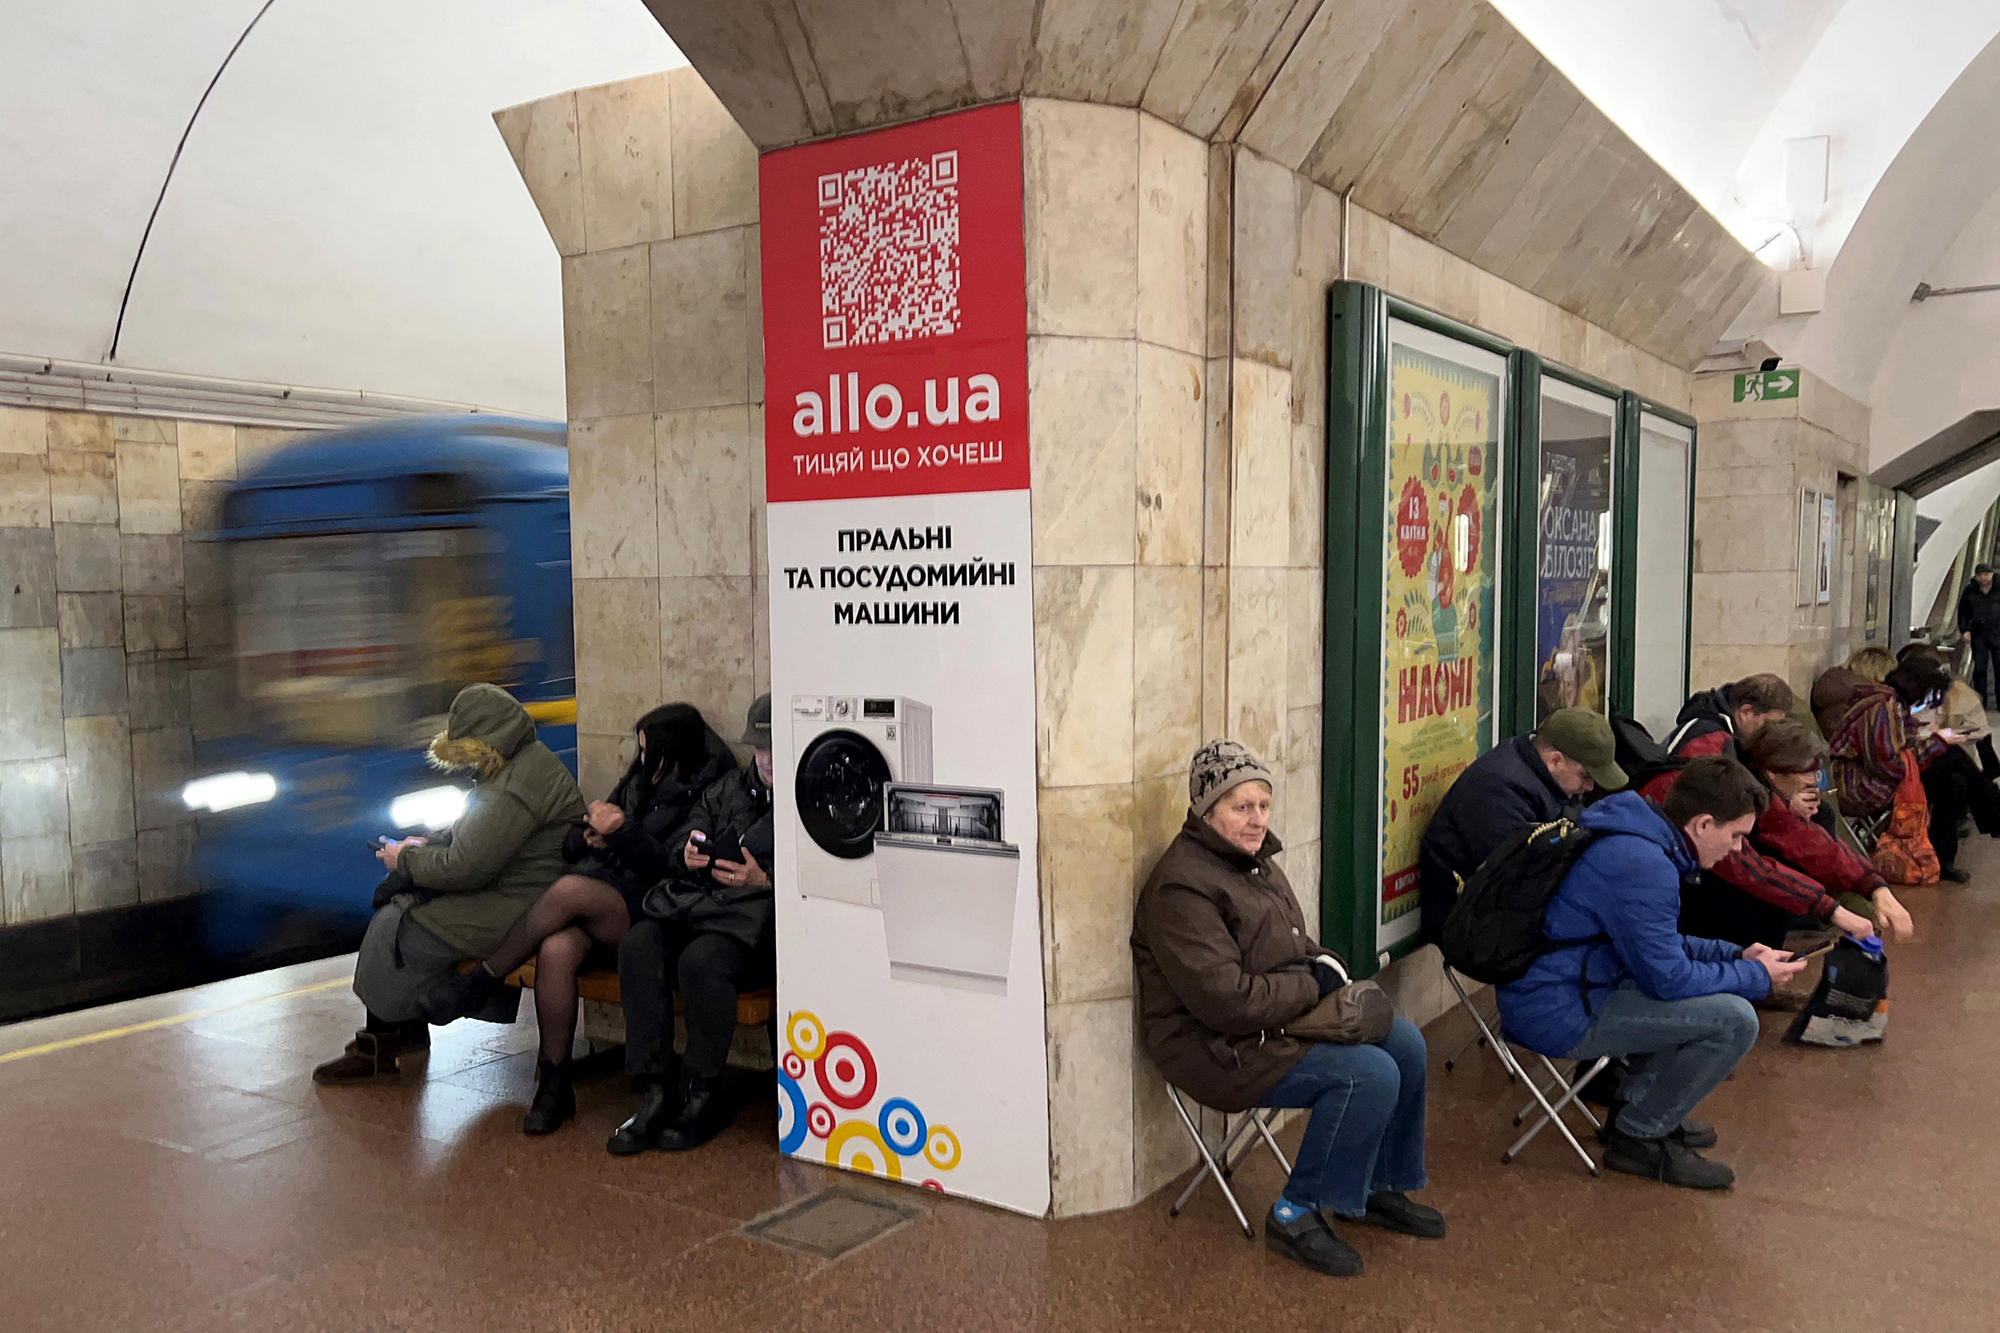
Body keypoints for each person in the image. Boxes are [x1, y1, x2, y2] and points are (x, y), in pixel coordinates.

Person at [1133, 740, 1440, 1280]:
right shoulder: (1181, 886)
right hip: (1214, 1048)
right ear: (1206, 811)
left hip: (1272, 1025)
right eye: (1241, 807)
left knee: (1406, 1043)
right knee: (1366, 1075)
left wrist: (1326, 967)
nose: (1257, 820)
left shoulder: (1255, 862)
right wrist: (1309, 986)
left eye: (1263, 805)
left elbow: (1295, 944)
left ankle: (1378, 1186)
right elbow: (1224, 1001)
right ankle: (1295, 1213)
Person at [418, 703, 735, 1133]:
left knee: (569, 891)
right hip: (608, 896)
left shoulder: (708, 787)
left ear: (672, 750)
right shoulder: (643, 778)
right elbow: (587, 829)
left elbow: (672, 864)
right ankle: (554, 1084)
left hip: (655, 906)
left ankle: (484, 979)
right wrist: (589, 838)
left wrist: (623, 834)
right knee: (557, 947)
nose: (642, 761)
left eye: (650, 752)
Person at [1497, 756, 1809, 1190]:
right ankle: (1640, 1134)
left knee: (1701, 998)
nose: (1739, 849)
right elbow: (1668, 978)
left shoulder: (1635, 836)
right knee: (1733, 1020)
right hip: (1558, 1011)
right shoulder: (1643, 865)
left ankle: (1641, 1110)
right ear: (1702, 825)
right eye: (1736, 835)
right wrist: (1755, 977)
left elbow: (1657, 946)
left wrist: (1736, 955)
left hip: (1567, 988)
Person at [312, 683, 587, 1086]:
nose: (467, 765)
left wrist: (404, 859)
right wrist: (425, 845)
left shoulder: (516, 784)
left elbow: (465, 868)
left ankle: (382, 1047)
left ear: (485, 743)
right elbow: (476, 834)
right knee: (403, 906)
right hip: (522, 890)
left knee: (401, 923)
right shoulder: (522, 764)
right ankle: (402, 1032)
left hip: (527, 905)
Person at [607, 695, 776, 1156]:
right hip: (699, 904)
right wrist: (688, 852)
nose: (767, 759)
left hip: (754, 924)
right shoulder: (728, 788)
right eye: (760, 748)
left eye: (777, 747)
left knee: (702, 961)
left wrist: (766, 879)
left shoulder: (806, 797)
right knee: (640, 942)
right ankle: (657, 1087)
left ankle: (705, 1089)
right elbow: (690, 831)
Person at [1679, 719, 1915, 951]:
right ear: (1773, 773)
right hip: (1693, 888)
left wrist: (1875, 886)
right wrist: (1831, 909)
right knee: (1767, 900)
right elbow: (1748, 867)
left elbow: (1809, 842)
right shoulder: (1734, 796)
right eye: (1805, 772)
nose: (1813, 780)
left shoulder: (1753, 787)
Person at [1418, 708, 1627, 944]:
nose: (1590, 787)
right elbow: (1518, 879)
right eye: (1585, 776)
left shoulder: (1548, 778)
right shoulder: (1498, 790)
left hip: (1511, 907)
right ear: (1555, 760)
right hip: (1471, 925)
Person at [1958, 563, 2000, 706]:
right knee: (1980, 668)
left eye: (1986, 575)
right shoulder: (1970, 591)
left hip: (1998, 633)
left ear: (1992, 575)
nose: (1984, 578)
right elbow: (1963, 611)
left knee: (1999, 668)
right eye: (1981, 575)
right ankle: (1981, 701)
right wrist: (1964, 629)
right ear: (1976, 577)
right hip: (1978, 633)